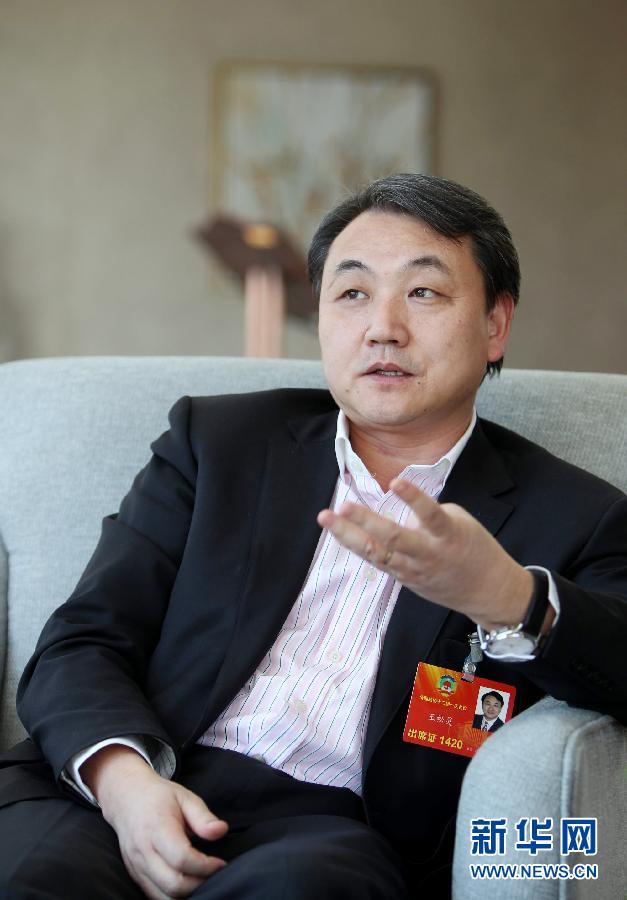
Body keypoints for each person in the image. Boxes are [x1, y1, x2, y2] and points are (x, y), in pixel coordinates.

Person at [1, 173, 626, 900]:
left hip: (329, 837)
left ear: (495, 323)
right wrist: (125, 786)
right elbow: (83, 639)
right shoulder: (218, 443)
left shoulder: (578, 516)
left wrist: (508, 598)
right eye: (352, 292)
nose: (382, 327)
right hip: (121, 785)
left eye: (424, 292)